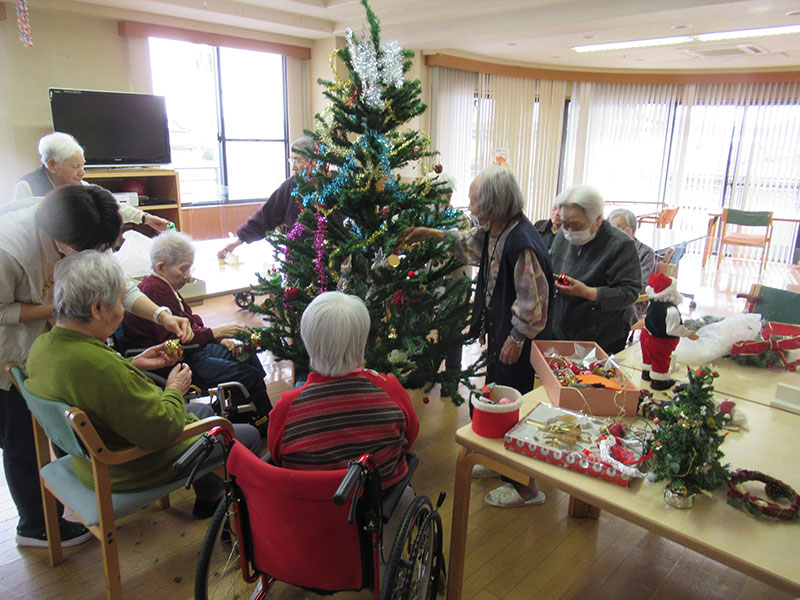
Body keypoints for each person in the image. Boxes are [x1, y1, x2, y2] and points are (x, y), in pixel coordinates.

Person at [0, 185, 192, 548]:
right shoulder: (8, 249)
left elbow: (117, 286)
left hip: (54, 344)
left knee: (64, 418)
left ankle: (79, 481)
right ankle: (36, 525)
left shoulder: (83, 223)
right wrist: (62, 309)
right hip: (14, 346)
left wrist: (162, 315)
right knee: (21, 436)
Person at [24, 250, 261, 517]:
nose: (123, 311)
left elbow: (88, 383)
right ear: (97, 309)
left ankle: (210, 495)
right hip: (126, 467)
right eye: (119, 302)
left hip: (87, 460)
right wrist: (174, 389)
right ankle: (243, 522)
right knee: (245, 436)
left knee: (203, 413)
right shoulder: (101, 366)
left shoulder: (42, 348)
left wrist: (133, 363)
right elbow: (162, 430)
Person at [404, 166, 553, 508]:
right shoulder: (495, 231)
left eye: (474, 201)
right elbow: (467, 246)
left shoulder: (521, 242)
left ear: (494, 204)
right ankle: (498, 459)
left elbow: (533, 305)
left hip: (521, 336)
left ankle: (525, 487)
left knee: (515, 403)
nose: (469, 207)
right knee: (498, 396)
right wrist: (429, 233)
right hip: (502, 328)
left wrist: (515, 338)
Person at [122, 231, 272, 420]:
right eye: (183, 269)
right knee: (248, 374)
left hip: (193, 350)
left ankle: (255, 413)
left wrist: (220, 338)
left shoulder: (164, 285)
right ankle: (261, 418)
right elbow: (176, 341)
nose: (188, 276)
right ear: (161, 267)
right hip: (180, 359)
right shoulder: (155, 291)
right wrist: (216, 333)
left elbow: (192, 323)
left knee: (244, 353)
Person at [12, 132, 170, 231]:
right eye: (75, 166)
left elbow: (112, 206)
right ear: (53, 165)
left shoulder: (81, 186)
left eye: (82, 165)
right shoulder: (27, 187)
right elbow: (20, 230)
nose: (82, 172)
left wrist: (146, 218)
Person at [550, 186, 641, 355]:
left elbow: (630, 292)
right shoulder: (563, 236)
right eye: (564, 224)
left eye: (577, 225)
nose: (569, 231)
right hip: (562, 328)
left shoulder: (620, 245)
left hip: (602, 335)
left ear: (598, 219)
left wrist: (589, 293)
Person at [217, 136, 316, 259]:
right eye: (292, 161)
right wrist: (239, 241)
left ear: (312, 160)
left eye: (297, 160)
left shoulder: (333, 185)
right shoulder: (290, 186)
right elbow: (267, 215)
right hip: (299, 259)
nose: (293, 167)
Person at [640, 273, 699, 390]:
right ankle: (659, 381)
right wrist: (687, 333)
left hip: (646, 334)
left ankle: (646, 373)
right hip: (661, 341)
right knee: (661, 360)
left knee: (648, 356)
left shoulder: (653, 303)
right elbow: (672, 329)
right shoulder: (671, 310)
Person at [608, 208, 655, 323]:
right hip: (605, 296)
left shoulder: (645, 252)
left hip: (633, 301)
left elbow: (641, 284)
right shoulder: (605, 249)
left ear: (633, 230)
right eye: (610, 227)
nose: (614, 232)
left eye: (619, 227)